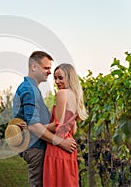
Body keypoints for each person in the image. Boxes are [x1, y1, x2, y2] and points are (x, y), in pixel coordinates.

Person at [12, 52, 77, 187]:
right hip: (36, 148)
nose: (49, 72)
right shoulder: (30, 90)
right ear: (34, 67)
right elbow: (34, 126)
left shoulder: (32, 89)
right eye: (46, 68)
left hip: (43, 146)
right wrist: (61, 142)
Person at [43, 63, 88, 187]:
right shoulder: (75, 96)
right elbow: (72, 129)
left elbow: (56, 126)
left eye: (60, 78)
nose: (57, 81)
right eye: (55, 78)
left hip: (57, 148)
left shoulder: (62, 94)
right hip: (69, 147)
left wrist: (35, 126)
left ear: (69, 78)